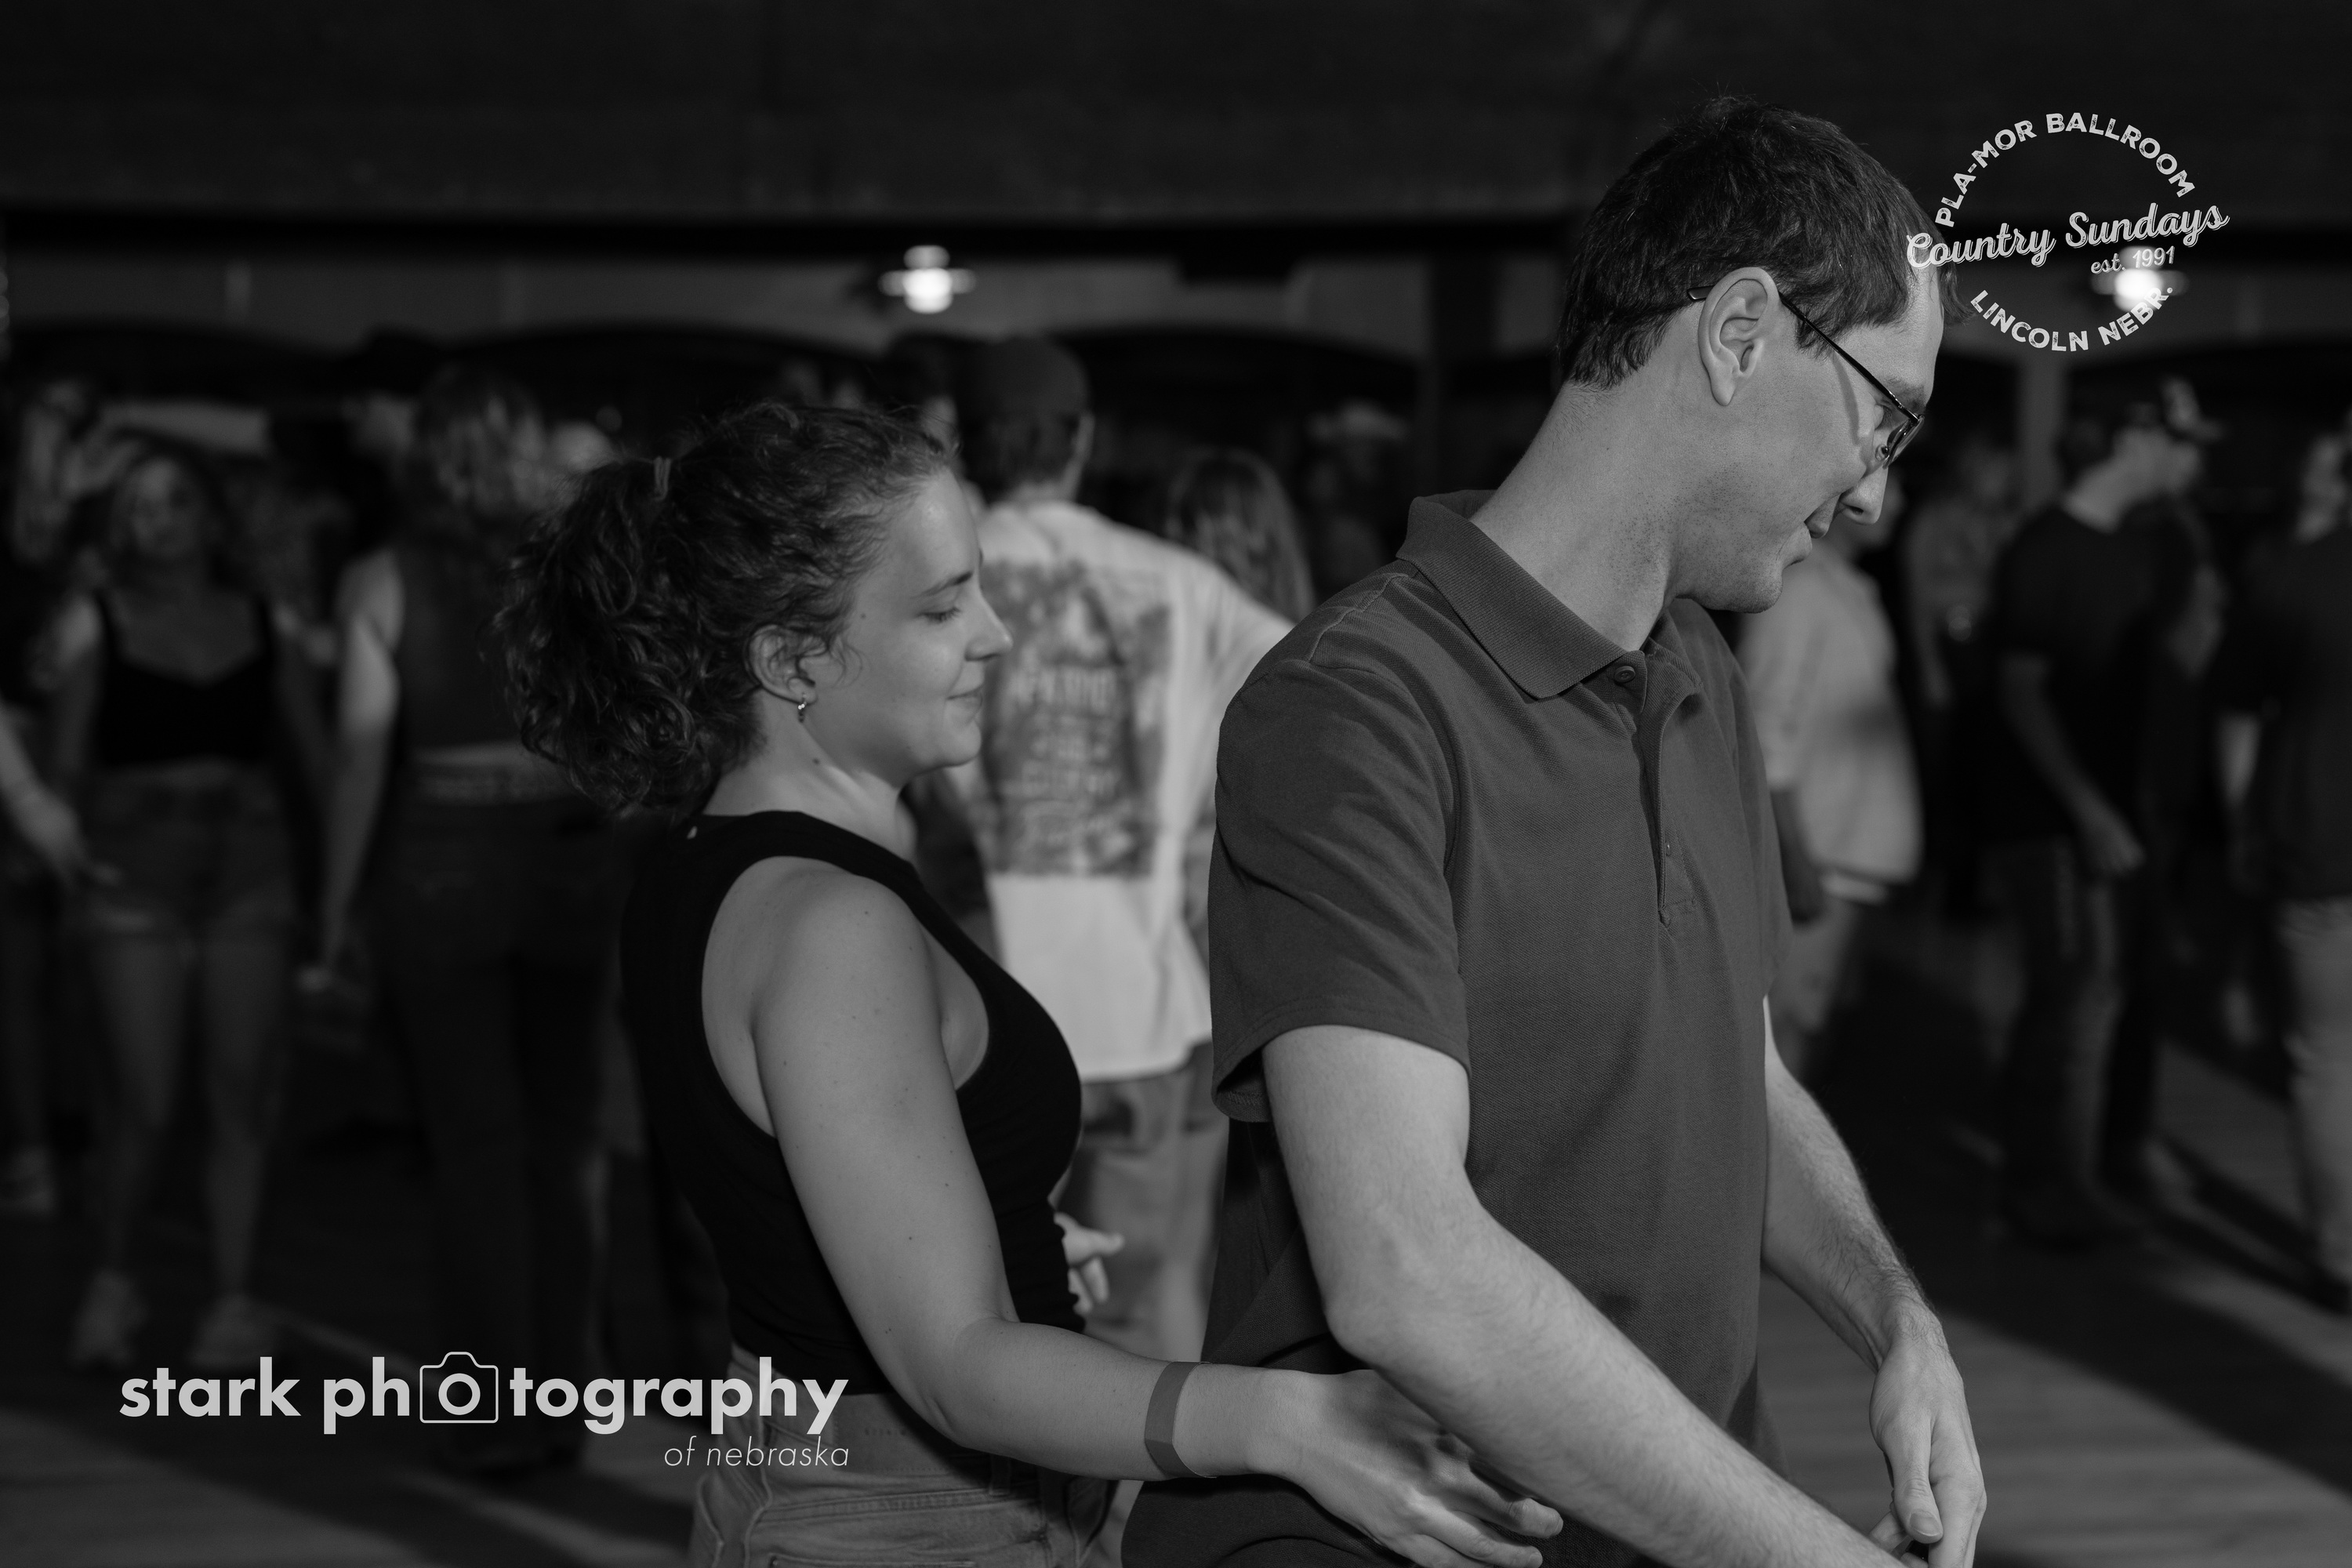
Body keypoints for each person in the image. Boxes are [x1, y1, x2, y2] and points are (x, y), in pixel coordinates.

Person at [1127, 97, 1984, 1568]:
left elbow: (1741, 1074)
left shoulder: (1699, 668)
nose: (1875, 493)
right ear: (1739, 334)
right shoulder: (1357, 702)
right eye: (1883, 414)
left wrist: (1897, 1318)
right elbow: (1405, 1269)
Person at [500, 400, 1563, 1568]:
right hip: (907, 1517)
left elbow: (786, 1182)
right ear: (793, 658)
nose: (997, 634)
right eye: (942, 606)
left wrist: (998, 1220)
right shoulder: (829, 923)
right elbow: (957, 1365)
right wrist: (1289, 1421)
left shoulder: (713, 860)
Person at [948, 342, 1291, 1374]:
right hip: (1146, 1009)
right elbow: (1312, 680)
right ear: (1082, 441)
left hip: (983, 1014)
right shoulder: (1179, 584)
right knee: (1143, 1324)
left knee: (986, 1319)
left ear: (965, 445)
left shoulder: (937, 579)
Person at [313, 366, 629, 1475]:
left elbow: (361, 756)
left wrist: (332, 911)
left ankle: (497, 1409)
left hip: (443, 852)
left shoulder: (379, 578)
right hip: (568, 845)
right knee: (568, 1136)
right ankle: (569, 1393)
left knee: (475, 1142)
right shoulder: (573, 568)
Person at [50, 438, 327, 1370]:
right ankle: (114, 1277)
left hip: (250, 859)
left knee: (240, 1094)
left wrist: (342, 887)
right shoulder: (94, 620)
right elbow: (64, 765)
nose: (154, 520)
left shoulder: (265, 620)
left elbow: (319, 760)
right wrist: (65, 858)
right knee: (145, 1098)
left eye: (172, 501)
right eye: (137, 506)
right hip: (135, 865)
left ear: (211, 517)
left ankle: (231, 1300)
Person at [1980, 386, 2215, 1247]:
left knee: (2090, 995)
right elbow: (2020, 691)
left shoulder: (2129, 547)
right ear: (2129, 439)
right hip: (2048, 817)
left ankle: (2061, 1174)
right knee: (2076, 994)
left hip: (2105, 811)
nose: (2185, 458)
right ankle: (2046, 1189)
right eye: (2171, 438)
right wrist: (2087, 808)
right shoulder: (2047, 547)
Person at [2214, 430, 2352, 1312]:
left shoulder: (2294, 575)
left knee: (2330, 1060)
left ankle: (2341, 1255)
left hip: (2315, 845)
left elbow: (2236, 715)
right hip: (2317, 851)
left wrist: (2241, 823)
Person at [1743, 468, 1922, 1082]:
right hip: (1822, 861)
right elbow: (1767, 730)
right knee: (1789, 1041)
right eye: (1887, 482)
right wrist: (1794, 857)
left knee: (1812, 1035)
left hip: (1843, 862)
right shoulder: (1800, 591)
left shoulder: (1844, 586)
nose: (1896, 503)